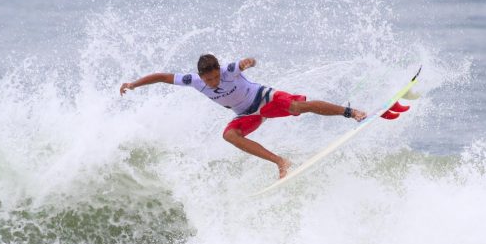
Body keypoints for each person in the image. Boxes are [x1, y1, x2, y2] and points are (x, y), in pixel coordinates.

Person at [120, 54, 366, 178]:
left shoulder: (228, 71)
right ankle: (281, 162)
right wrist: (133, 84)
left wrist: (248, 62)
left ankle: (351, 112)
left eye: (215, 77)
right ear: (201, 77)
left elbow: (244, 63)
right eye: (209, 80)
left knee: (298, 107)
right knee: (229, 135)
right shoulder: (193, 81)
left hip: (265, 98)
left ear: (219, 70)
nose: (214, 83)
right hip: (248, 114)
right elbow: (163, 77)